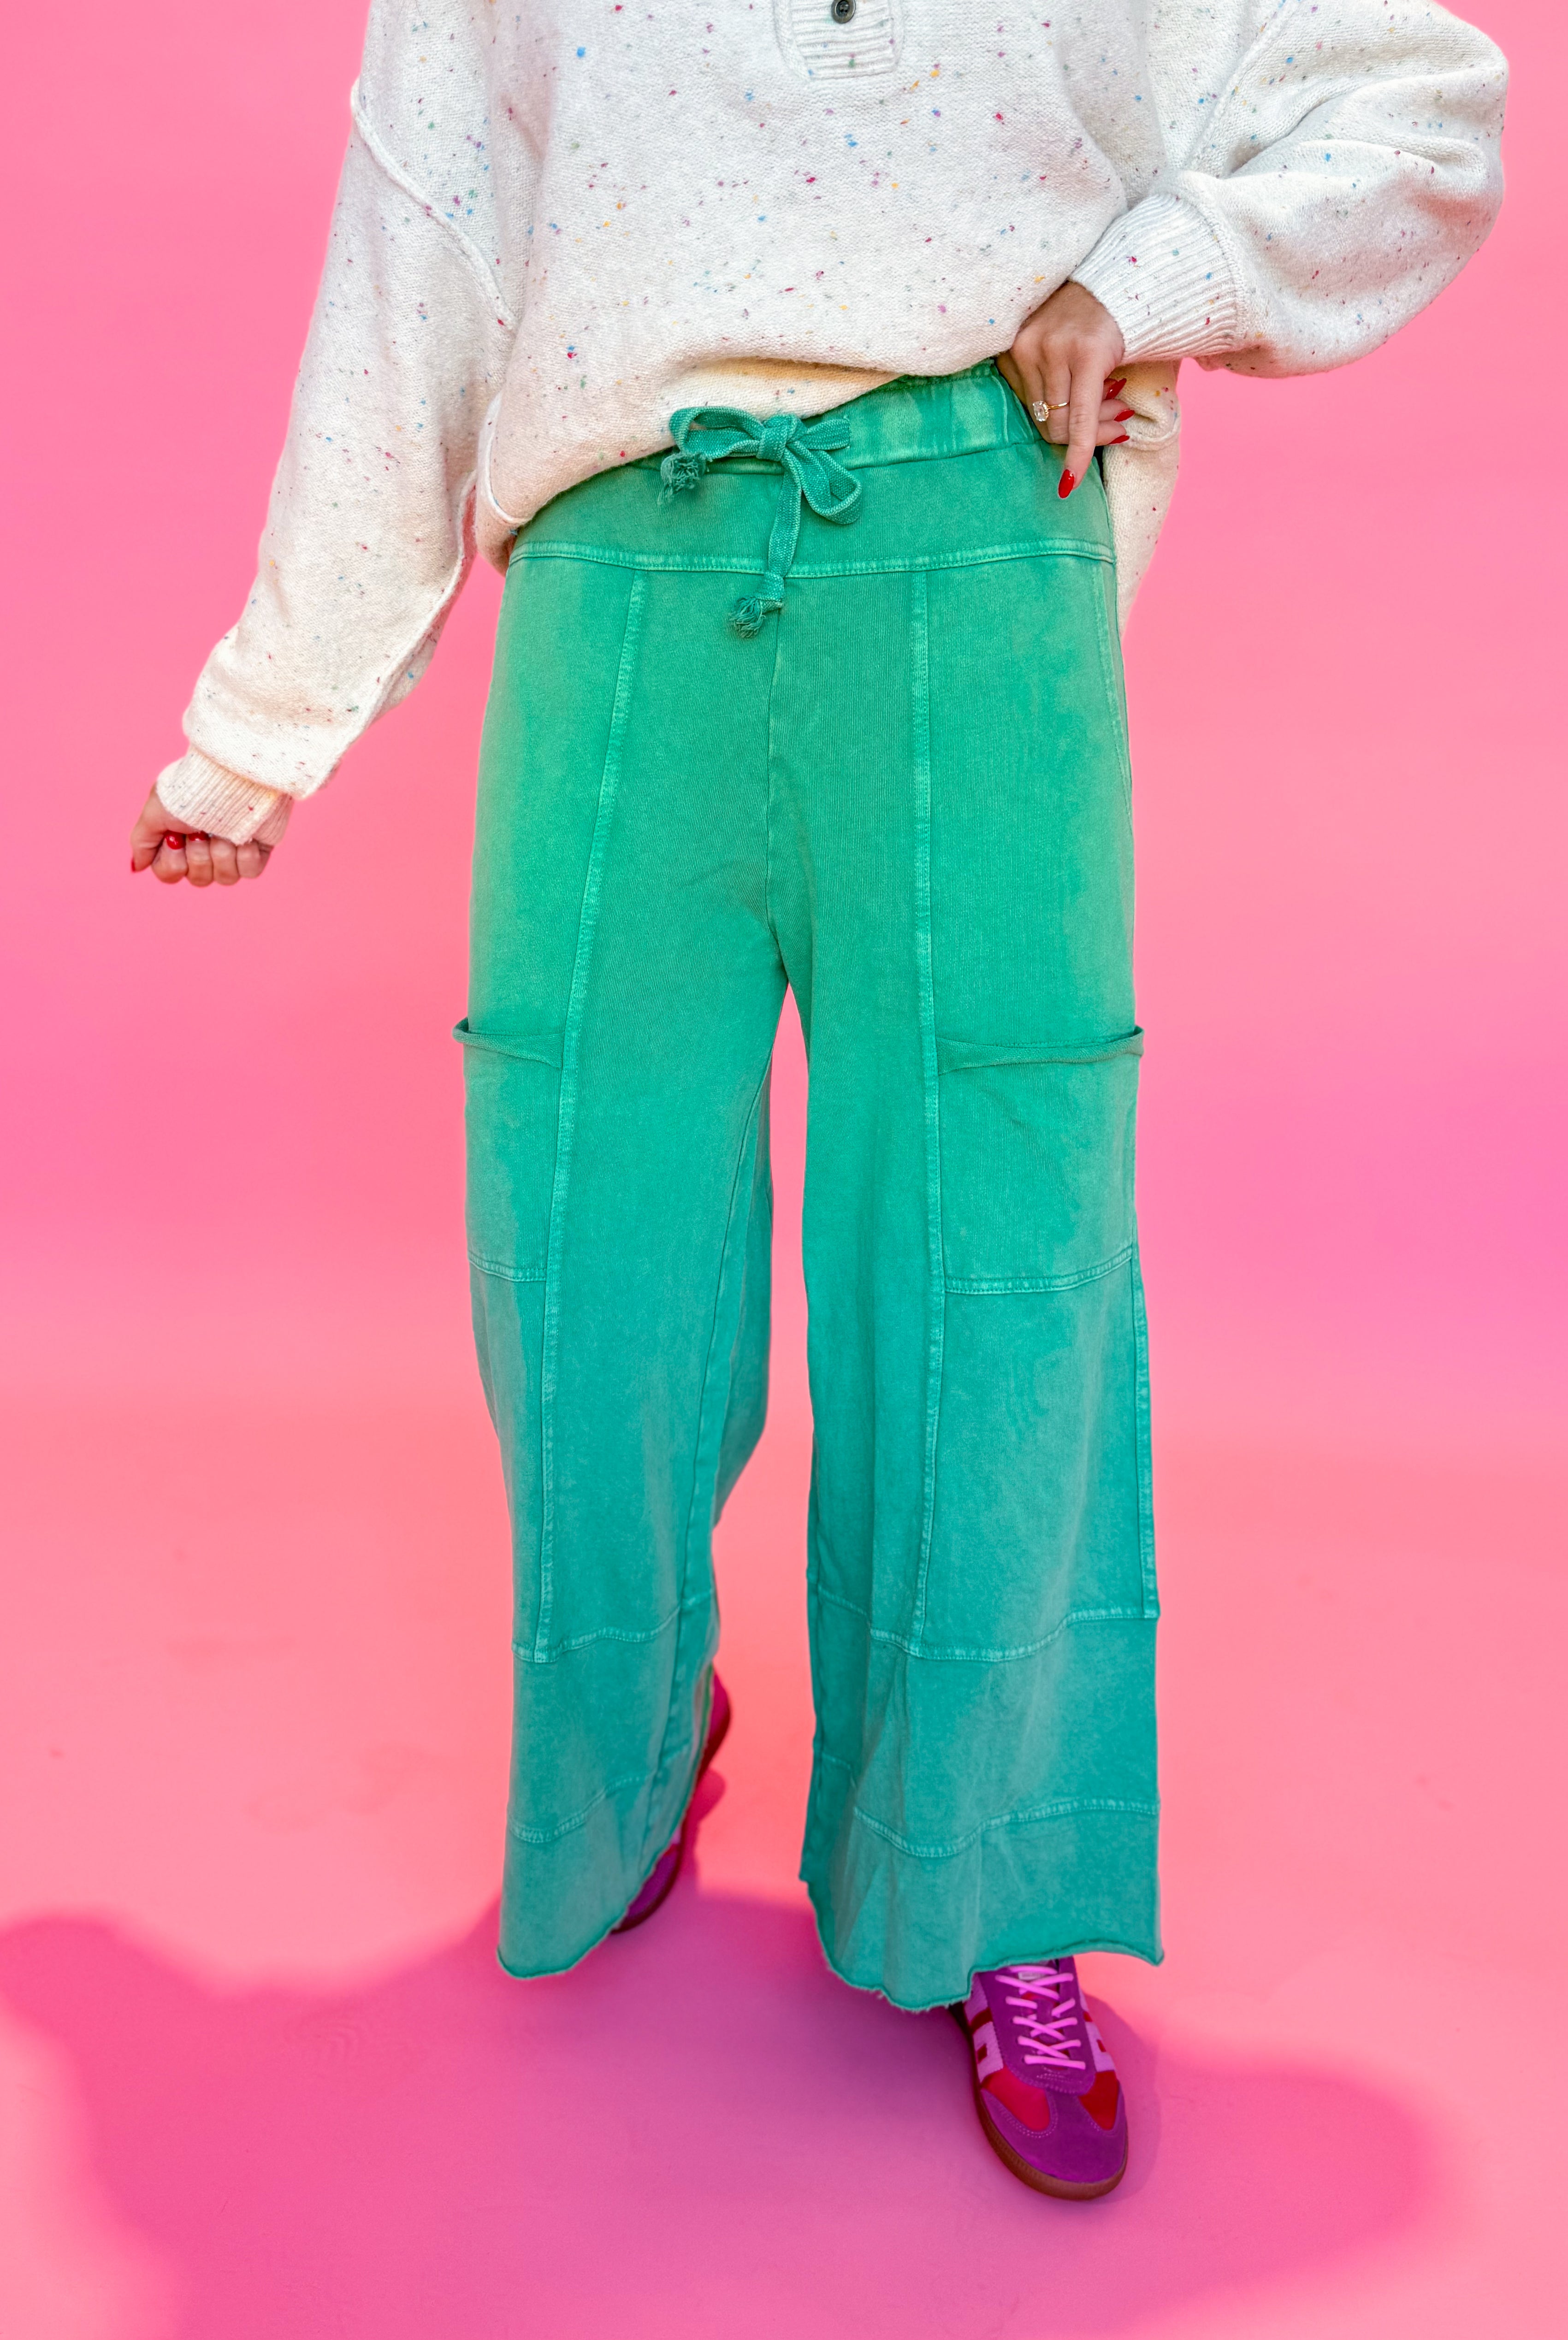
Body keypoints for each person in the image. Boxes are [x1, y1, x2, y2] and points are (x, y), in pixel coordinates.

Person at [130, 0, 1505, 2198]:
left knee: (996, 1263)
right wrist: (266, 724)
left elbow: (1415, 110)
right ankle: (626, 1741)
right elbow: (424, 242)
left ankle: (994, 1879)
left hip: (975, 555)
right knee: (582, 1242)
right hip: (617, 571)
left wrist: (1141, 284)